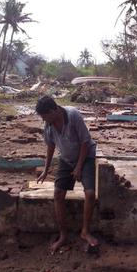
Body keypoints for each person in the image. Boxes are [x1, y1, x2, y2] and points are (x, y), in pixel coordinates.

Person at [35, 95, 98, 254]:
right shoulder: (48, 124)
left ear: (54, 110)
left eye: (45, 116)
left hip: (86, 156)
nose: (44, 121)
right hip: (66, 159)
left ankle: (85, 231)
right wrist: (46, 169)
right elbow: (50, 146)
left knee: (90, 193)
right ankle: (63, 235)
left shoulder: (73, 115)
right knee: (58, 193)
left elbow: (85, 142)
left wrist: (79, 167)